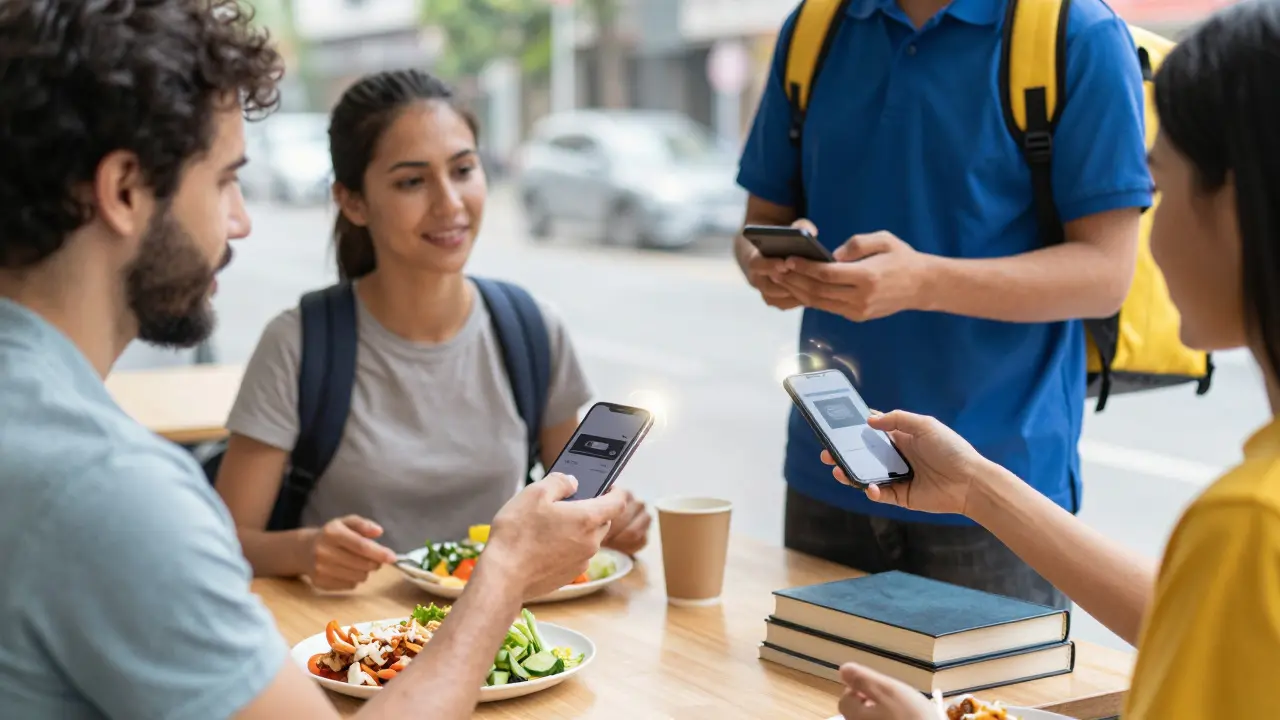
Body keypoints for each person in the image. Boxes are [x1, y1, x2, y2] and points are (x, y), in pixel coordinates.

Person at [0, 2, 628, 719]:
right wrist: (506, 571)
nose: (241, 220)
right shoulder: (109, 492)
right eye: (226, 180)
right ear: (121, 191)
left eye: (464, 169)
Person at [830, 2, 1280, 717]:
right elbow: (1203, 624)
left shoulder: (1249, 522)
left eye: (1156, 193)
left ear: (1237, 204)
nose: (1148, 247)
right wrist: (975, 487)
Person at [734, 0, 1152, 606]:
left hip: (1002, 491)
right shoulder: (816, 27)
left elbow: (1105, 273)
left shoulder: (1075, 33)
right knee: (812, 699)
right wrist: (765, 266)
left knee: (993, 703)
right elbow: (757, 226)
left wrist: (924, 282)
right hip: (831, 465)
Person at [213, 68, 651, 591]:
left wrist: (610, 524)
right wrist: (306, 549)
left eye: (464, 170)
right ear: (352, 201)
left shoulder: (533, 330)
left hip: (508, 639)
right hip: (358, 651)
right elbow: (224, 542)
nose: (449, 204)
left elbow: (574, 507)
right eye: (412, 181)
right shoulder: (299, 344)